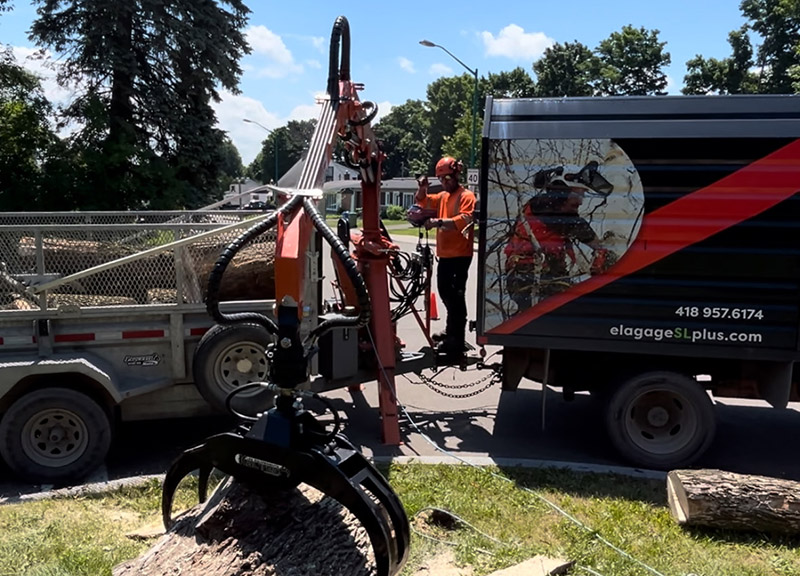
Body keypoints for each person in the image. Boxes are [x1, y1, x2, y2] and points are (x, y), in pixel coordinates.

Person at [504, 177, 616, 311]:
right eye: (577, 196)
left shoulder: (559, 214)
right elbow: (578, 227)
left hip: (551, 275)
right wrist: (601, 248)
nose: (580, 202)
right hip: (528, 275)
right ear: (561, 193)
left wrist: (603, 253)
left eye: (582, 196)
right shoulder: (544, 206)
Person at [416, 156, 476, 359]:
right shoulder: (442, 196)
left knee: (456, 296)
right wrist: (423, 187)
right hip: (445, 254)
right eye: (441, 179)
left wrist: (437, 222)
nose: (444, 182)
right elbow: (422, 201)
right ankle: (451, 331)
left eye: (448, 178)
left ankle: (456, 339)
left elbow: (464, 219)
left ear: (456, 174)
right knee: (445, 293)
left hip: (460, 255)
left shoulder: (466, 196)